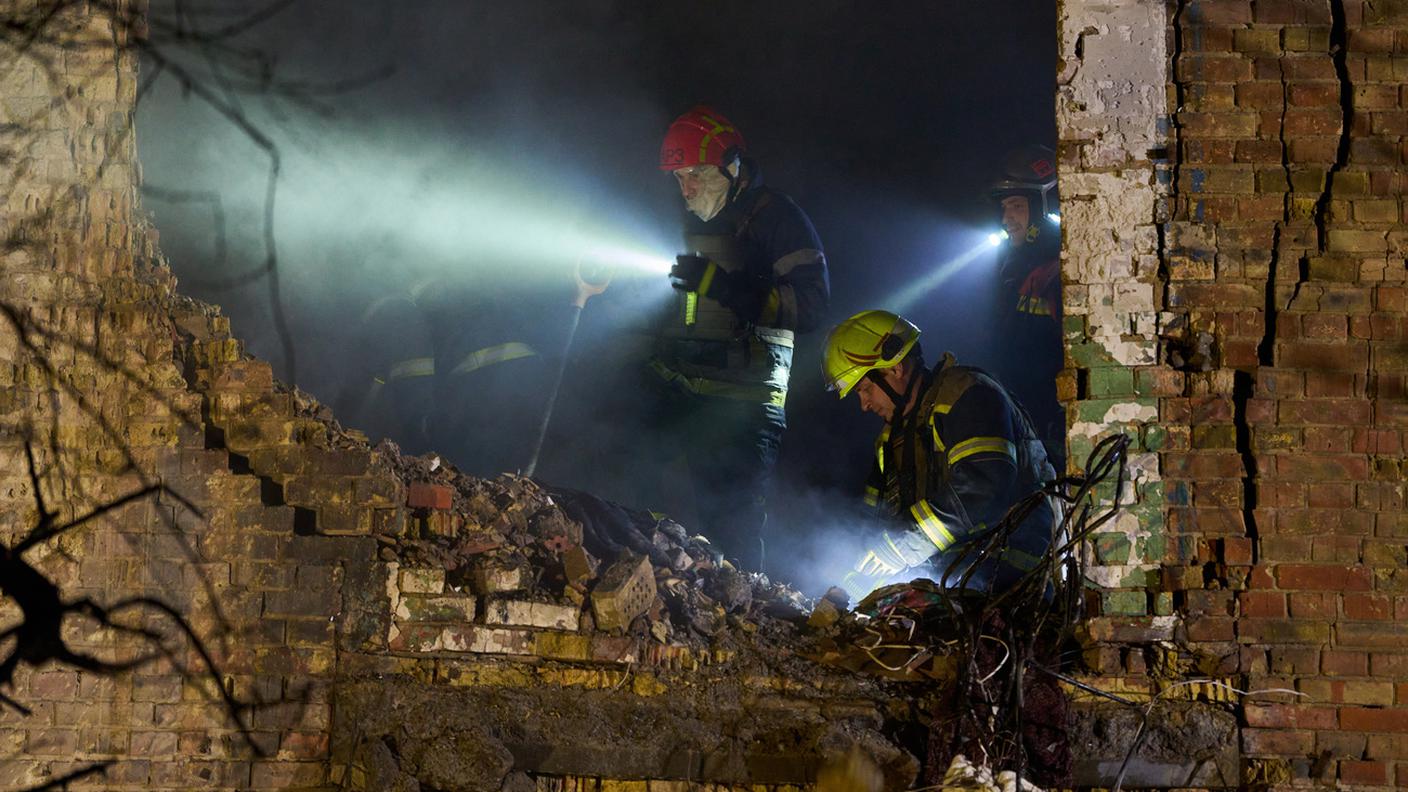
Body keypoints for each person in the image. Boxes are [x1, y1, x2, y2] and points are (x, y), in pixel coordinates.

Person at [650, 105, 830, 571]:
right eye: (679, 179)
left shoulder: (776, 217)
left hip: (746, 406)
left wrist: (727, 288)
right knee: (665, 527)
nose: (686, 191)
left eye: (696, 176)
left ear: (730, 167)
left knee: (733, 530)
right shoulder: (695, 220)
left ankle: (745, 626)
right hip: (685, 394)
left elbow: (811, 305)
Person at [821, 309, 1059, 602]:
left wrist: (899, 550)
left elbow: (983, 490)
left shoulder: (968, 394)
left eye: (866, 389)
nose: (864, 405)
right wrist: (857, 567)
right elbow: (875, 518)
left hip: (1015, 564)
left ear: (895, 368)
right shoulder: (892, 439)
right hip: (958, 569)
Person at [988, 145, 1065, 470]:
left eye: (1017, 207)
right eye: (1005, 209)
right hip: (1024, 417)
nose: (1007, 220)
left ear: (1043, 206)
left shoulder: (1060, 270)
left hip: (1053, 423)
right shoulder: (1012, 267)